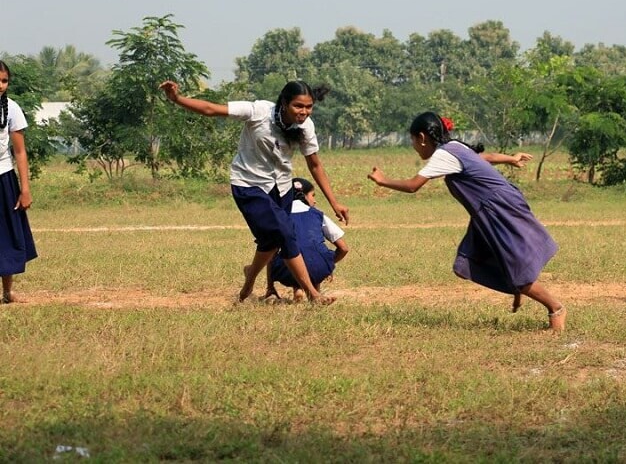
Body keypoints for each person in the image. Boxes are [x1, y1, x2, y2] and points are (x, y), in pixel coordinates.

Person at [367, 112, 566, 331]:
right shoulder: (455, 147)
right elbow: (486, 158)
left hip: (498, 209)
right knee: (469, 261)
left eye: (413, 141)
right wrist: (511, 158)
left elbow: (413, 185)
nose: (414, 146)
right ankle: (517, 287)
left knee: (516, 265)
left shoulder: (444, 155)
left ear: (422, 137)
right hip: (489, 211)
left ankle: (555, 307)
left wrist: (383, 181)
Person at [159, 80, 349, 304]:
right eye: (298, 106)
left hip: (282, 187)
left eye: (308, 107)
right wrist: (177, 99)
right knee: (285, 233)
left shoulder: (306, 127)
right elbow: (211, 109)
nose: (304, 112)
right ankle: (313, 294)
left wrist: (334, 202)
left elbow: (315, 165)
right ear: (284, 103)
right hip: (249, 185)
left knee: (273, 240)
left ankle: (249, 280)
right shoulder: (258, 111)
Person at [262, 177, 349, 303]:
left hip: (285, 272)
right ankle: (313, 290)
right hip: (318, 269)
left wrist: (270, 285)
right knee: (314, 256)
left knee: (276, 251)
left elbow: (269, 251)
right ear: (305, 196)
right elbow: (344, 248)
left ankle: (295, 288)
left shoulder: (279, 216)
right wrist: (327, 265)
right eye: (313, 195)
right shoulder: (318, 214)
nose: (315, 200)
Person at [0, 60, 37, 304]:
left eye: (4, 81)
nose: (1, 85)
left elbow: (20, 152)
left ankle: (7, 292)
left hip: (3, 177)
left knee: (7, 235)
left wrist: (25, 189)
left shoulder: (11, 109)